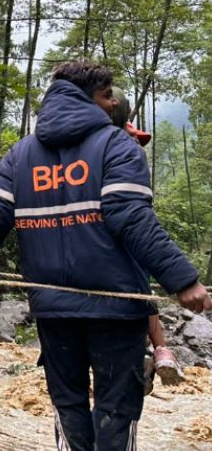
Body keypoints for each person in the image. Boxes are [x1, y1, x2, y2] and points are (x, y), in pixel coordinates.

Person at [0, 61, 211, 451]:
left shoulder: (20, 156)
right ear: (90, 97)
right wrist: (183, 279)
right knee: (117, 408)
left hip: (54, 311)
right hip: (115, 310)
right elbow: (130, 217)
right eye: (105, 96)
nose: (111, 104)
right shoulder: (118, 145)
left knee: (68, 405)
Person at [110, 86, 183, 386]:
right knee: (141, 289)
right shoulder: (126, 151)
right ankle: (161, 348)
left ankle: (157, 350)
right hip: (126, 238)